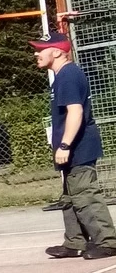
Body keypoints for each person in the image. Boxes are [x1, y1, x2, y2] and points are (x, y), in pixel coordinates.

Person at [33, 31, 116, 260]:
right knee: (70, 196)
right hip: (72, 149)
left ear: (58, 51)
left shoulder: (69, 74)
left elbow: (76, 111)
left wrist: (66, 145)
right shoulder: (62, 76)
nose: (36, 53)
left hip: (79, 147)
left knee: (85, 195)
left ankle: (107, 242)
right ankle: (75, 242)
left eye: (41, 49)